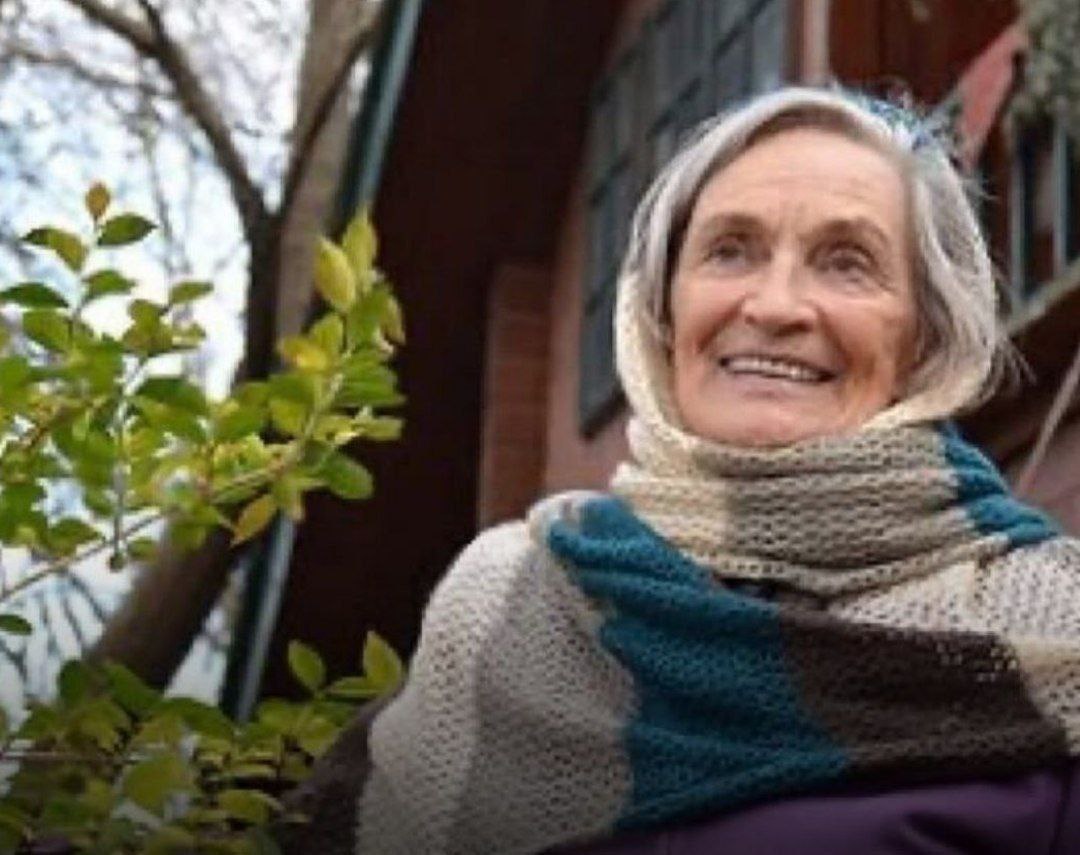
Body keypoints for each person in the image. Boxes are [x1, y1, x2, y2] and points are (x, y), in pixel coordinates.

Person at [280, 86, 1080, 855]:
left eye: (846, 262)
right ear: (661, 311)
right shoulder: (514, 602)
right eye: (730, 251)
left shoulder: (1047, 629)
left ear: (927, 337)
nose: (774, 305)